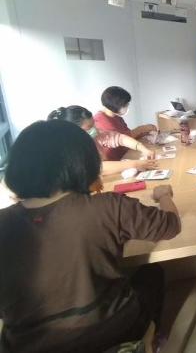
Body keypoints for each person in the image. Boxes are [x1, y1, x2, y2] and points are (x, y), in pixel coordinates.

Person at [0, 120, 181, 352]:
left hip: (26, 346)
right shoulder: (107, 207)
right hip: (108, 334)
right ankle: (149, 341)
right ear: (83, 162)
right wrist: (163, 194)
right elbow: (170, 225)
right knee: (152, 274)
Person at [48, 105, 157, 176]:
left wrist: (143, 149)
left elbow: (120, 138)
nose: (94, 129)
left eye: (93, 124)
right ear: (73, 130)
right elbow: (98, 168)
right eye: (89, 127)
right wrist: (135, 164)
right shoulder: (69, 148)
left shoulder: (95, 135)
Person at [94, 86, 157, 160]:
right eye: (124, 104)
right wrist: (141, 129)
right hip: (114, 160)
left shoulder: (118, 118)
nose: (126, 107)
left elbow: (127, 136)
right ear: (115, 104)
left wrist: (143, 133)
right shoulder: (100, 120)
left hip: (125, 155)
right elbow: (121, 138)